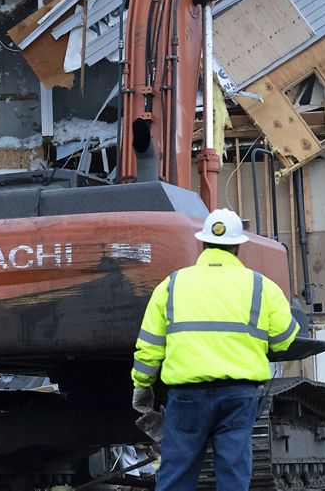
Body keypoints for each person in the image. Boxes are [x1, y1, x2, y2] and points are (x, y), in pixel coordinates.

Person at [131, 208, 300, 491]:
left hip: (187, 398)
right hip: (238, 396)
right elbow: (285, 340)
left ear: (202, 243)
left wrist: (142, 387)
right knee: (233, 472)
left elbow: (149, 346)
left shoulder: (172, 285)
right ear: (238, 246)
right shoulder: (261, 286)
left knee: (176, 474)